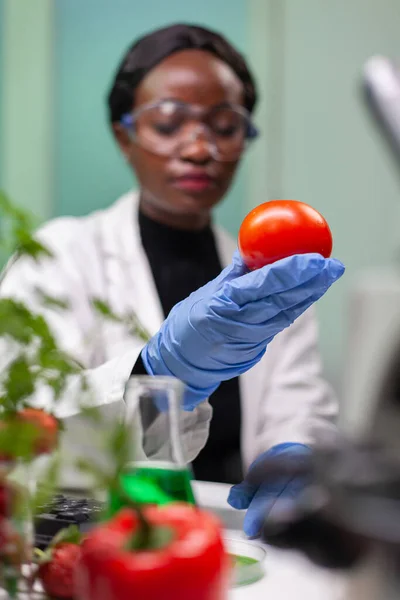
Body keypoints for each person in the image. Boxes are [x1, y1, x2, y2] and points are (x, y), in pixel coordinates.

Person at [0, 24, 344, 537]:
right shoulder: (58, 257)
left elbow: (299, 409)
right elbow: (23, 421)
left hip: (237, 541)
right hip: (100, 538)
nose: (199, 148)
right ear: (125, 136)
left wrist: (293, 458)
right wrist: (155, 370)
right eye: (168, 123)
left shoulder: (277, 279)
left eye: (224, 124)